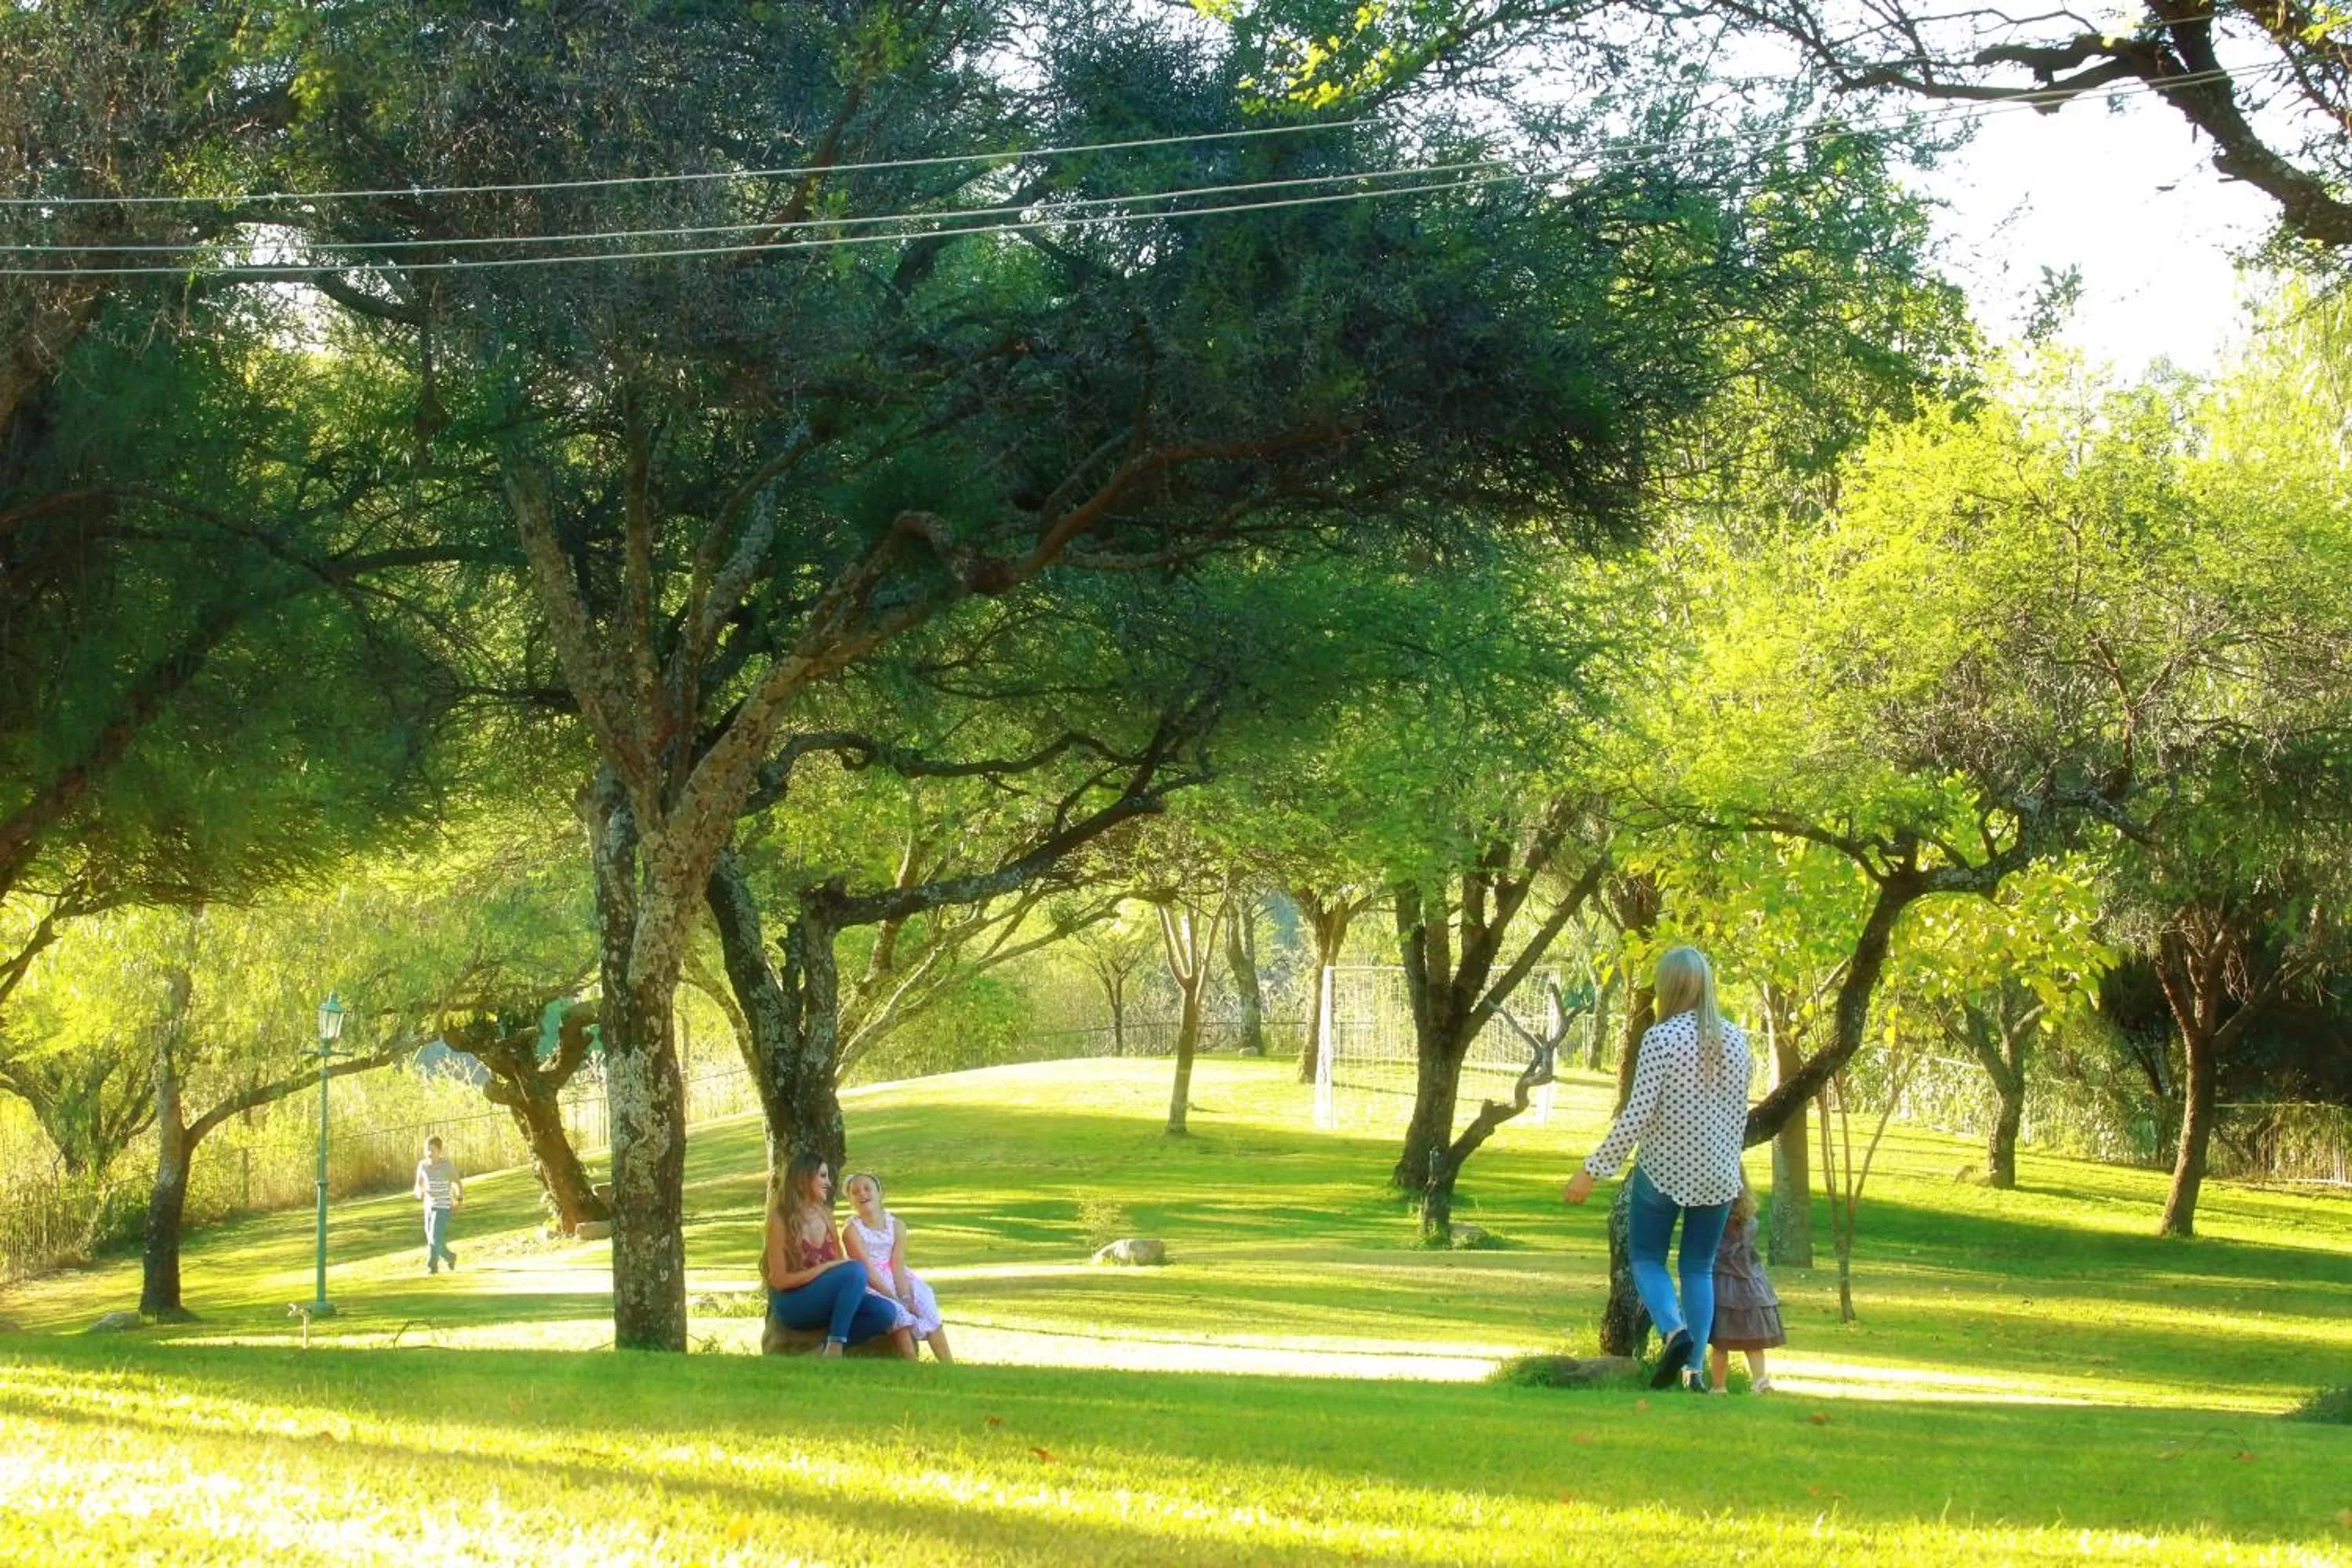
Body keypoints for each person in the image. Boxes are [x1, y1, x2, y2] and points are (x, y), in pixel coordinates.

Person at [1563, 946, 1754, 1390]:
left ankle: (1674, 1332)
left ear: (1668, 987)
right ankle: (1695, 1373)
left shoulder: (1661, 1038)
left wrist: (1591, 1170)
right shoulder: (1737, 1040)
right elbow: (1737, 1116)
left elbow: (1638, 1113)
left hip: (1664, 1168)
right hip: (1720, 1173)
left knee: (1647, 1257)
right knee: (1699, 1268)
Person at [763, 1152, 914, 1359]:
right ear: (803, 1179)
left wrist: (891, 1297)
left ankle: (822, 1348)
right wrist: (823, 1269)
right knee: (856, 1269)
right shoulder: (780, 1218)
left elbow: (841, 1267)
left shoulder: (826, 1215)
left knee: (886, 1311)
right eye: (823, 1176)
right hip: (794, 1304)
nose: (829, 1183)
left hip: (825, 1300)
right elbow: (779, 1280)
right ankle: (835, 1348)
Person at [842, 1171, 953, 1363]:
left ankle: (949, 1364)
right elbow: (866, 1270)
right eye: (855, 1192)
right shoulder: (851, 1231)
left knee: (924, 1301)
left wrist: (906, 1296)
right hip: (871, 1282)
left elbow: (897, 1264)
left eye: (867, 1189)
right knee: (897, 1312)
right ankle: (912, 1362)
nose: (862, 1194)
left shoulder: (897, 1225)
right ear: (850, 1200)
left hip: (896, 1276)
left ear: (880, 1193)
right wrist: (895, 1299)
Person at [1697, 1176, 1784, 1394]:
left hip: (1723, 1283)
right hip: (1750, 1284)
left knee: (1720, 1342)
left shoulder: (1716, 1216)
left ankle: (1719, 1387)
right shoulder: (1750, 1219)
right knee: (1753, 1341)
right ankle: (1760, 1381)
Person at [412, 1135, 463, 1275]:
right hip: (428, 1206)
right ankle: (433, 1267)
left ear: (440, 1151)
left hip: (443, 1206)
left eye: (432, 1150)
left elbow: (457, 1183)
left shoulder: (447, 1167)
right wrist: (419, 1193)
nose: (429, 1153)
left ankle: (448, 1257)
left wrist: (459, 1200)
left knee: (435, 1237)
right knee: (430, 1238)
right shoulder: (423, 1166)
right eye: (427, 1150)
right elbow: (418, 1185)